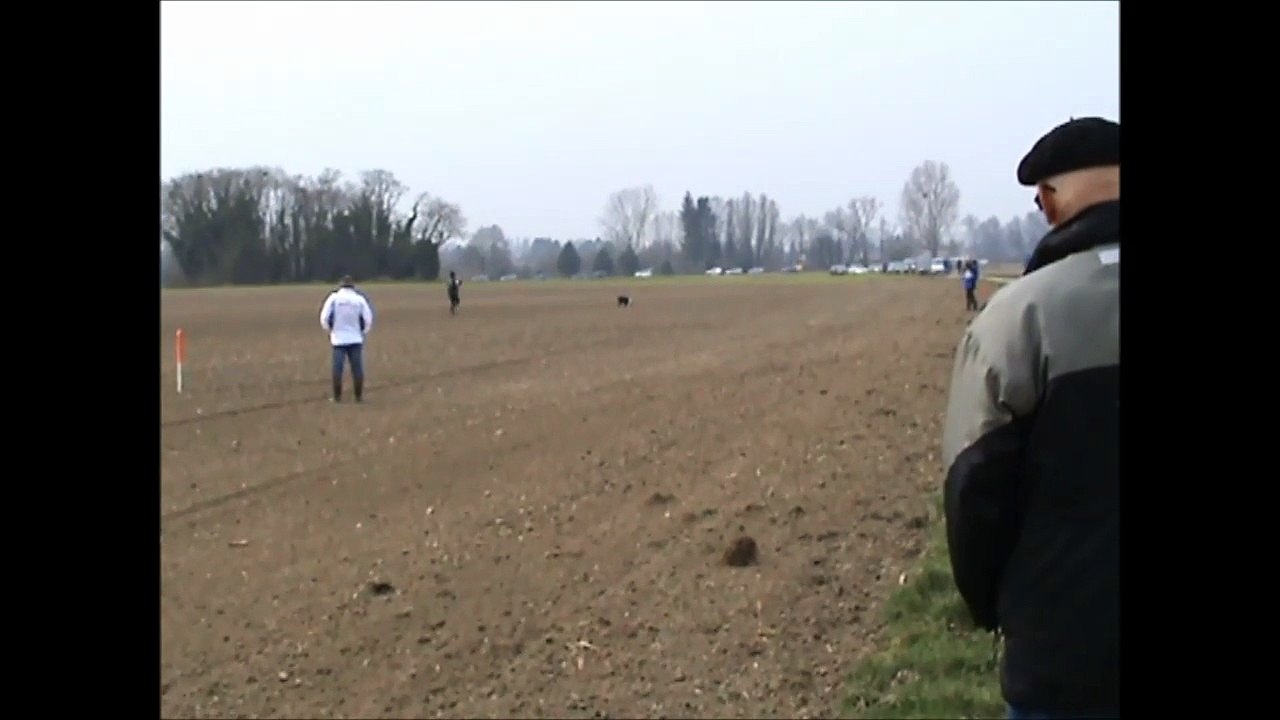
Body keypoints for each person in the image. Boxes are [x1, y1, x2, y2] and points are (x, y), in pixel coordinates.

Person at [939, 116, 1119, 720]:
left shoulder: (1016, 321)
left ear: (1046, 201)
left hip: (1068, 660)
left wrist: (1001, 608)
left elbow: (974, 491)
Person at [319, 275, 374, 402]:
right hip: (355, 339)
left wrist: (330, 330)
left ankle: (337, 397)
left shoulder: (334, 298)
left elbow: (324, 317)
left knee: (337, 369)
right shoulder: (359, 299)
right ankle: (358, 396)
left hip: (338, 339)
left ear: (341, 285)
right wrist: (363, 332)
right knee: (357, 369)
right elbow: (368, 319)